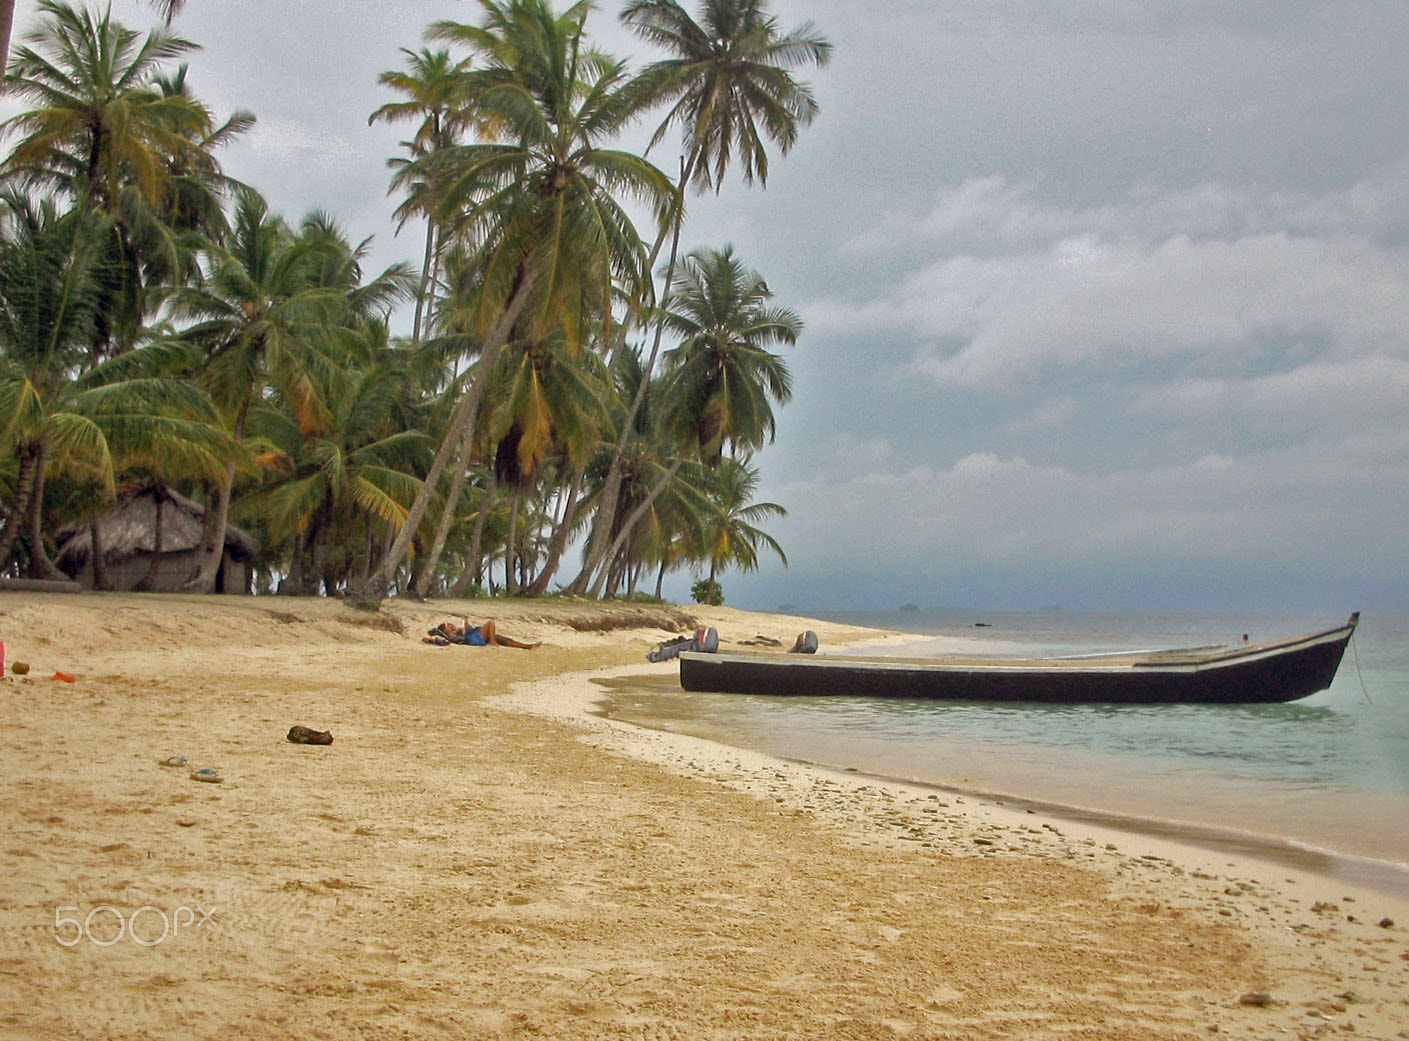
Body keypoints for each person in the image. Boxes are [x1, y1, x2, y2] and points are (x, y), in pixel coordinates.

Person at [424, 619, 540, 650]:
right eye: (449, 624)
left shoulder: (457, 632)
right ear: (446, 629)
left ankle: (527, 646)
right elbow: (434, 634)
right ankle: (492, 641)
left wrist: (466, 625)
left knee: (504, 639)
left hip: (473, 636)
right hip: (473, 638)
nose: (451, 624)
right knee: (491, 623)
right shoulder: (450, 636)